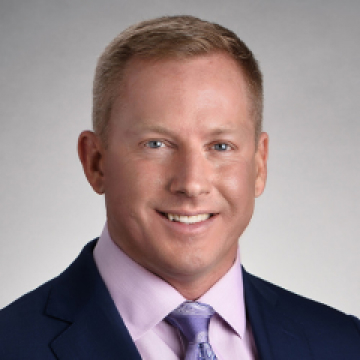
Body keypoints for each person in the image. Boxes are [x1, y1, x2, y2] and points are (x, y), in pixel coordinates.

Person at [0, 15, 359, 360]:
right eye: (156, 144)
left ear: (259, 165)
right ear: (96, 162)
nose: (191, 183)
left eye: (220, 146)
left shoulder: (345, 344)